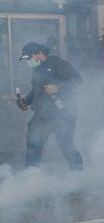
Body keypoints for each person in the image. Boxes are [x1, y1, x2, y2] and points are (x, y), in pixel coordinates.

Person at [16, 42, 85, 170]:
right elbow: (36, 91)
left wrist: (58, 87)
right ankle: (31, 176)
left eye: (29, 58)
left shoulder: (59, 64)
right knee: (33, 145)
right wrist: (25, 101)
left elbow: (78, 80)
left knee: (66, 145)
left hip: (62, 114)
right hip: (42, 115)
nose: (28, 62)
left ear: (39, 53)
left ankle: (79, 174)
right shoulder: (36, 69)